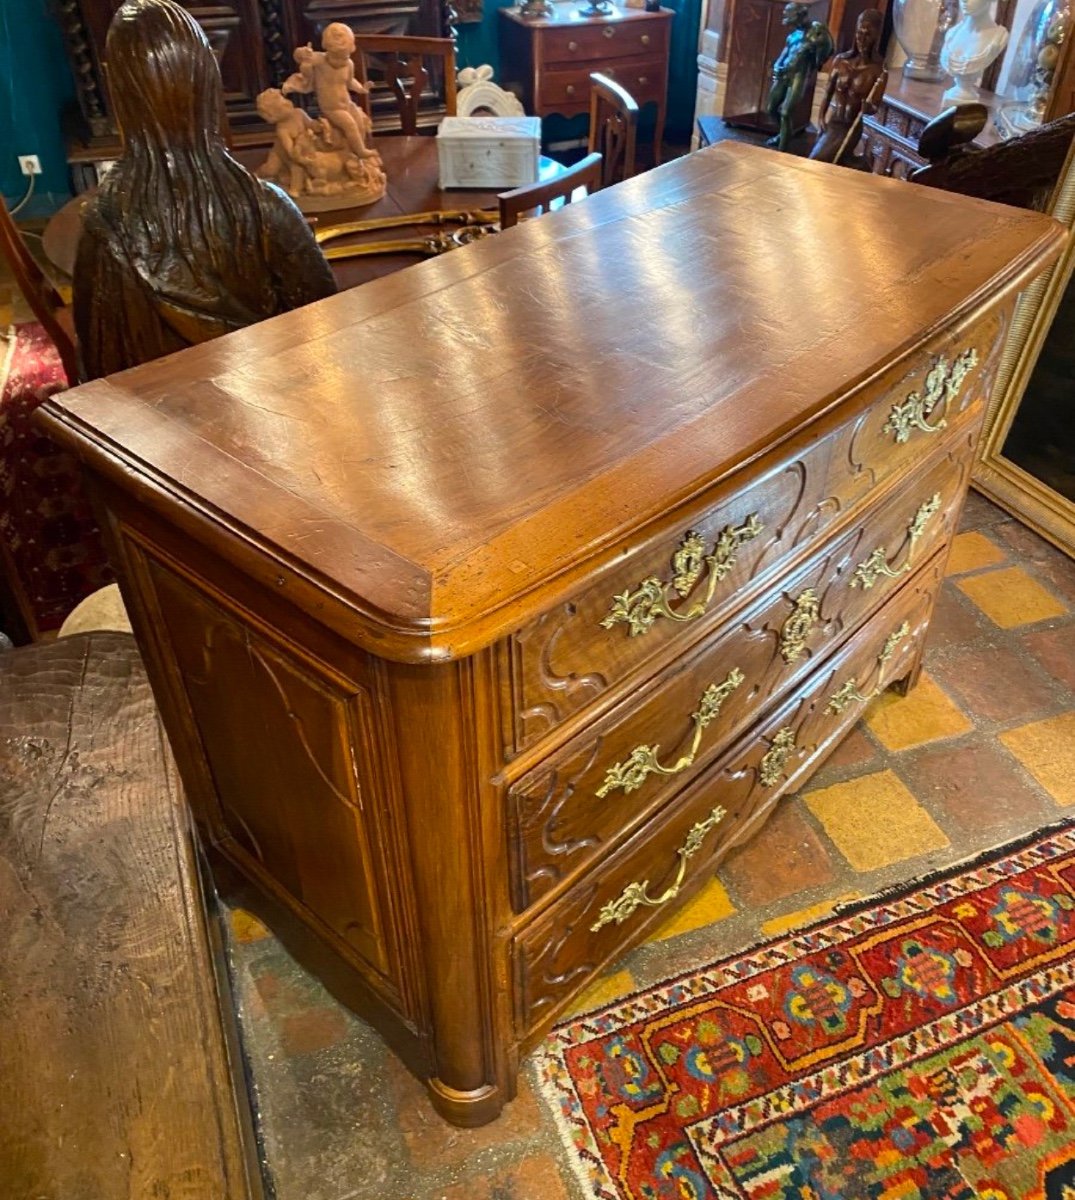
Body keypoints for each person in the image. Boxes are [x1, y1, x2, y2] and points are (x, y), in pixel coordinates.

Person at [73, 0, 337, 381]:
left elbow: (94, 379)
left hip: (158, 432)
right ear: (209, 83)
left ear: (118, 89)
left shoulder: (102, 233)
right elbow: (328, 337)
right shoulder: (270, 209)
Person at [282, 23, 377, 162]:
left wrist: (362, 89)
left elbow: (350, 82)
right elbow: (299, 57)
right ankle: (361, 151)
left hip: (346, 103)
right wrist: (303, 54)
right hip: (332, 108)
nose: (341, 61)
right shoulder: (320, 60)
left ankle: (354, 152)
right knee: (350, 125)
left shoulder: (349, 64)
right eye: (337, 57)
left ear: (351, 49)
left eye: (345, 56)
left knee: (359, 123)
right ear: (328, 50)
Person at [810, 9, 887, 163]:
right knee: (817, 159)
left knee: (821, 159)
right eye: (859, 33)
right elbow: (828, 92)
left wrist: (868, 108)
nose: (862, 39)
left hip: (851, 126)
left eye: (868, 34)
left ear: (876, 36)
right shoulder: (840, 61)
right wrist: (820, 117)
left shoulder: (879, 71)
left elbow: (874, 107)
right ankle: (857, 165)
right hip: (833, 122)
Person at [766, 4, 835, 152]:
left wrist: (816, 53)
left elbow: (828, 48)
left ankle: (782, 149)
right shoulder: (793, 35)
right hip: (783, 74)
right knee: (771, 108)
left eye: (787, 14)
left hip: (799, 76)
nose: (784, 17)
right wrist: (777, 67)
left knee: (786, 112)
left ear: (798, 15)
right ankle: (784, 133)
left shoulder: (816, 30)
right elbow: (784, 54)